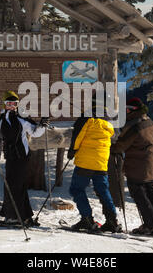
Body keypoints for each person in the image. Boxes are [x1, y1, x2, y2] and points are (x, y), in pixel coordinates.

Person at [111, 97, 153, 237]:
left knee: (140, 196)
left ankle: (152, 225)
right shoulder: (148, 121)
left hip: (137, 166)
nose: (125, 112)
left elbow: (122, 144)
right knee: (151, 194)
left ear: (133, 110)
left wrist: (110, 148)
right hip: (149, 164)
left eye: (127, 109)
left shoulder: (134, 126)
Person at [67, 98, 122, 233]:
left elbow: (77, 136)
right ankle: (112, 221)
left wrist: (72, 151)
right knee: (103, 191)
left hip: (85, 162)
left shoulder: (86, 117)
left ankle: (86, 218)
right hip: (102, 163)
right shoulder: (109, 122)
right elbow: (115, 137)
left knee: (77, 189)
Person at [0, 90, 49, 227]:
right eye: (9, 103)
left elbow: (34, 132)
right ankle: (21, 216)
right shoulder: (0, 121)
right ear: (4, 104)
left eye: (14, 103)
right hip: (10, 157)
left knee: (17, 185)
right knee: (10, 185)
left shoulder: (21, 119)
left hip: (22, 157)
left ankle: (16, 217)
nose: (12, 106)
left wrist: (42, 125)